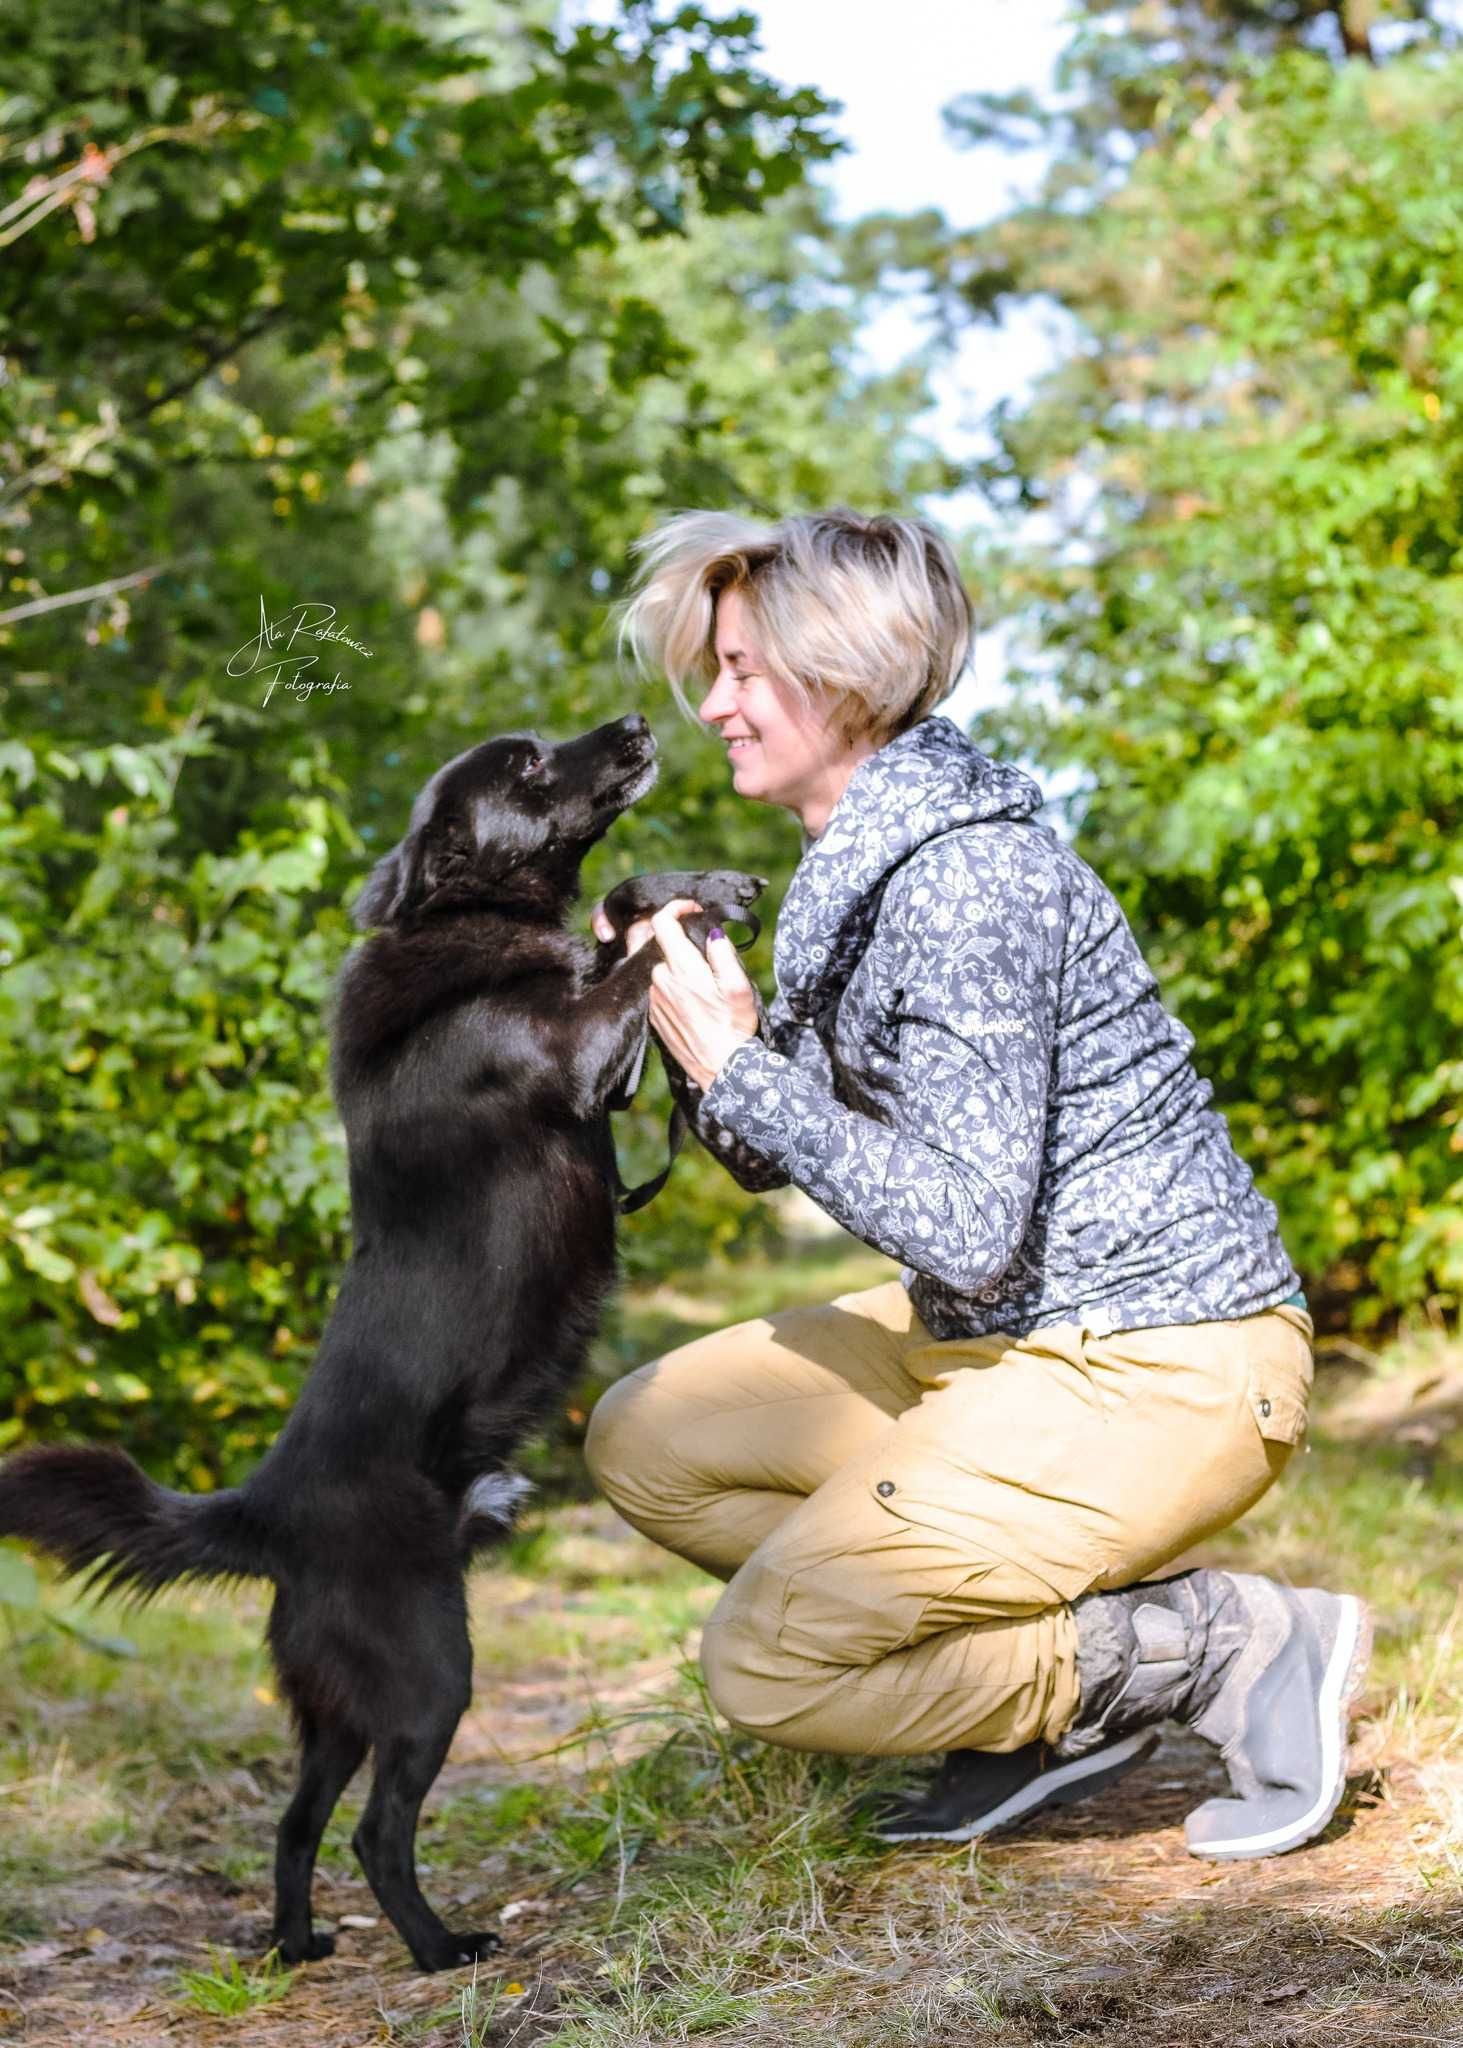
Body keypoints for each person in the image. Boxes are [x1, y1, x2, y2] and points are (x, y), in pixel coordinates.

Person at [584, 507, 1370, 1857]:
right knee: (647, 1439)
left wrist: (743, 1067)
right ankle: (1040, 1692)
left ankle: (1216, 1650)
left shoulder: (967, 876)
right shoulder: (869, 864)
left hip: (1160, 1361)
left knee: (767, 1663)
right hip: (1000, 1341)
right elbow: (801, 1152)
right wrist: (715, 1035)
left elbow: (961, 1218)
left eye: (740, 669)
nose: (714, 704)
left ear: (844, 672)